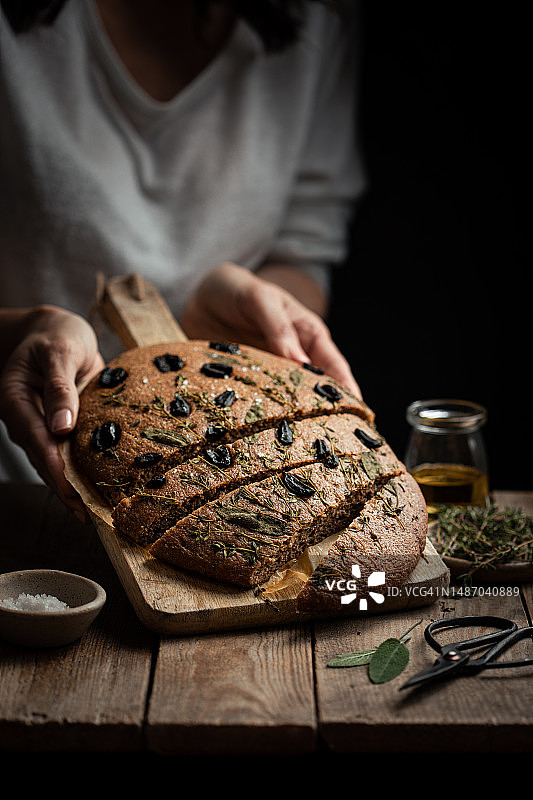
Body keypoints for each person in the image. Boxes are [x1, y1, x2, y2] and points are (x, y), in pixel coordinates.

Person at [0, 0, 365, 522]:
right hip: (22, 479)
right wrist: (19, 333)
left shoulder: (320, 21)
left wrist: (248, 317)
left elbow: (303, 251)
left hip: (226, 475)